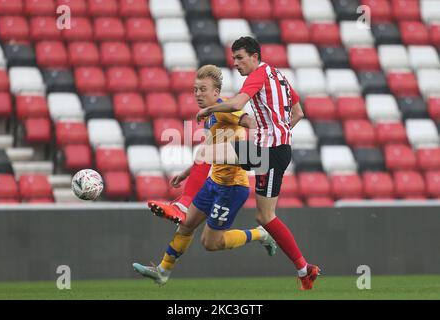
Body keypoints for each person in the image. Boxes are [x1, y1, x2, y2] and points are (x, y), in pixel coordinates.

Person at [133, 65, 277, 285]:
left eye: (203, 89)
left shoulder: (224, 109)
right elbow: (208, 151)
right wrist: (187, 173)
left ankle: (260, 234)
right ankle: (163, 271)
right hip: (213, 182)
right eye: (195, 90)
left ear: (216, 92)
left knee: (211, 243)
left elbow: (252, 122)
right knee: (186, 225)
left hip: (231, 187)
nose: (198, 94)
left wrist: (257, 147)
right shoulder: (212, 117)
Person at [195, 37, 320, 290]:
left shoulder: (259, 75)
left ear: (254, 57)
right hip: (269, 149)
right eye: (234, 59)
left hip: (270, 152)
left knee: (264, 213)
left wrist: (208, 110)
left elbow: (239, 103)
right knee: (262, 213)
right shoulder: (279, 75)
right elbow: (298, 112)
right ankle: (304, 269)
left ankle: (305, 269)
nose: (236, 63)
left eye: (240, 58)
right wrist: (279, 133)